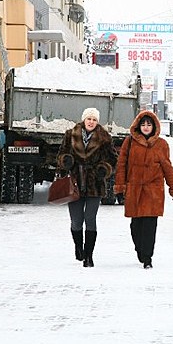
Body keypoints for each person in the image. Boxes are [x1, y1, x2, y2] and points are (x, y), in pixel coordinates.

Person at [113, 111, 173, 269]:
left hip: (153, 191)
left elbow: (167, 168)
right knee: (135, 226)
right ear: (138, 125)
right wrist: (120, 187)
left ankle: (148, 258)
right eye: (143, 124)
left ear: (154, 126)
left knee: (150, 226)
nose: (145, 127)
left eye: (149, 124)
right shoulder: (129, 142)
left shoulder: (161, 144)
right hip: (134, 189)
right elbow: (121, 166)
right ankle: (140, 250)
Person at [57, 107, 117, 267]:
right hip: (75, 183)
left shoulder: (105, 138)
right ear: (84, 119)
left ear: (98, 122)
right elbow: (61, 155)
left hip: (94, 184)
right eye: (89, 119)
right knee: (76, 221)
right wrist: (66, 160)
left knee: (90, 219)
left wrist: (104, 169)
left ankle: (89, 256)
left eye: (94, 119)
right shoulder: (70, 135)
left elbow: (113, 160)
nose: (91, 122)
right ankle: (78, 246)